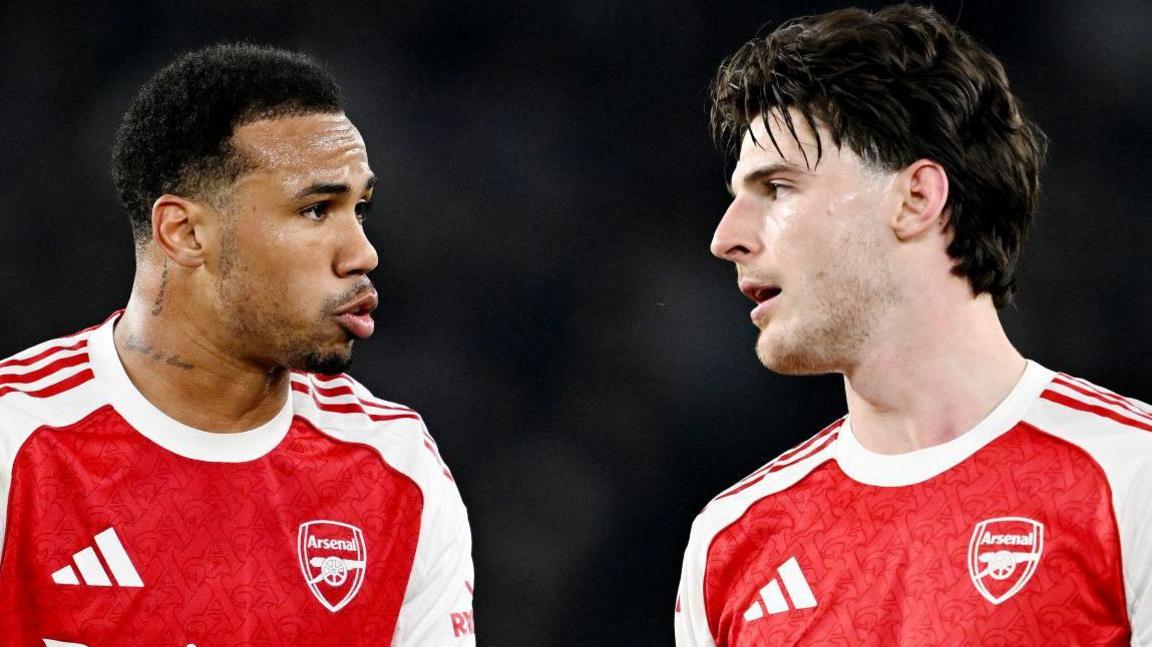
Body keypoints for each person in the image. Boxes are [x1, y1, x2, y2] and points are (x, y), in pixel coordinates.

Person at [675, 6, 1151, 646]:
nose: (725, 238)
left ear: (917, 199)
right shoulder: (732, 543)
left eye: (778, 187)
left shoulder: (1128, 478)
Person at [0, 44, 475, 646]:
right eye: (315, 210)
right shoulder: (17, 442)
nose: (363, 254)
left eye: (360, 210)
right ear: (186, 231)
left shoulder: (396, 470)